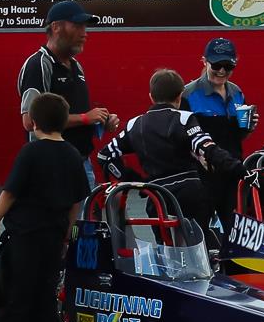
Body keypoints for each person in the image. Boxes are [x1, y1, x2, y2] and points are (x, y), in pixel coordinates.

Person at [0, 92, 89, 322]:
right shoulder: (72, 154)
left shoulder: (30, 152)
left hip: (25, 234)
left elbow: (10, 193)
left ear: (33, 122)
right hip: (53, 234)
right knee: (46, 294)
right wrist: (66, 232)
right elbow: (76, 200)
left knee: (18, 295)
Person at [98, 69, 240, 234]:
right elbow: (206, 147)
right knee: (200, 239)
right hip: (190, 192)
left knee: (164, 243)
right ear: (180, 97)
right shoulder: (184, 118)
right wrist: (237, 168)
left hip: (157, 196)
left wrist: (135, 181)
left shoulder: (134, 124)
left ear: (151, 97)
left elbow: (104, 155)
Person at [18, 0, 107, 188]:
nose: (84, 33)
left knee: (87, 209)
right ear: (56, 27)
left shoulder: (76, 66)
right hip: (51, 166)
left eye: (85, 27)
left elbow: (75, 117)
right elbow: (31, 121)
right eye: (77, 26)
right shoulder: (38, 65)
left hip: (81, 162)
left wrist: (99, 121)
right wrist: (85, 118)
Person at [183, 38, 253, 236]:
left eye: (228, 66)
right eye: (216, 65)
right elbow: (180, 136)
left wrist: (249, 127)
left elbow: (237, 137)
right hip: (201, 175)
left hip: (231, 171)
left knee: (236, 232)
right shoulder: (188, 94)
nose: (222, 71)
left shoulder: (237, 92)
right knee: (199, 232)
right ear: (204, 61)